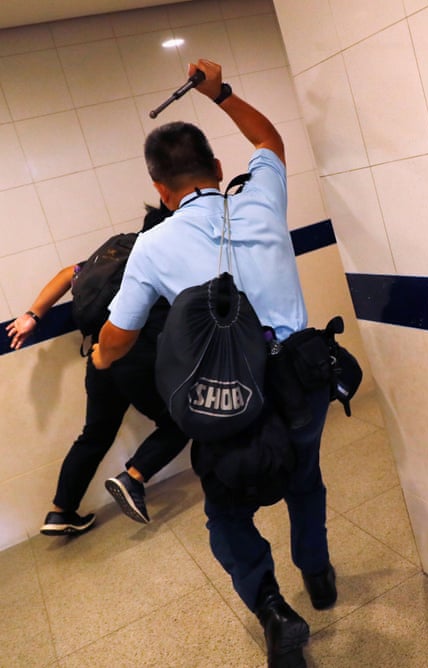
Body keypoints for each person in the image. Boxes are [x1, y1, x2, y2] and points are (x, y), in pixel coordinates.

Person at [91, 59, 336, 668]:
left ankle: (275, 611)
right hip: (301, 379)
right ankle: (320, 575)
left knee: (227, 510)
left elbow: (117, 339)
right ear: (220, 170)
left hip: (231, 397)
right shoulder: (259, 199)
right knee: (305, 480)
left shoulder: (151, 246)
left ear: (159, 190)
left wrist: (99, 356)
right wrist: (219, 91)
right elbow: (269, 141)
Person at [6, 205, 189, 536]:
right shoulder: (159, 256)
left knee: (95, 435)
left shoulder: (115, 252)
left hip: (99, 355)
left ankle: (61, 512)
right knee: (180, 420)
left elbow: (67, 273)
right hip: (132, 354)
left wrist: (32, 316)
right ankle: (133, 477)